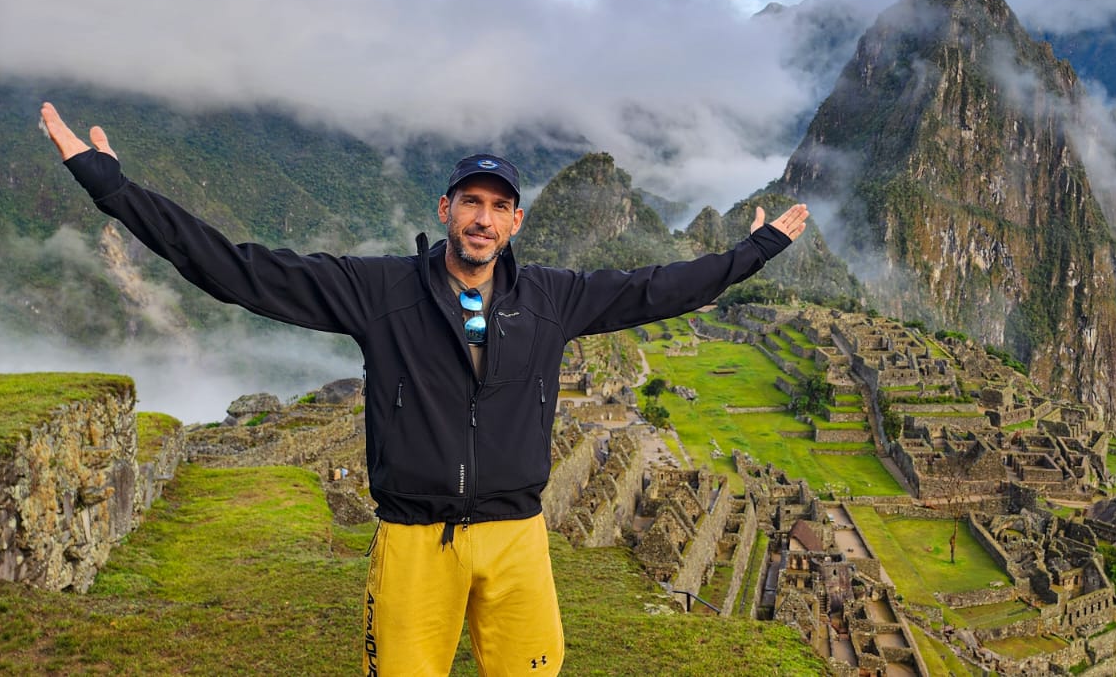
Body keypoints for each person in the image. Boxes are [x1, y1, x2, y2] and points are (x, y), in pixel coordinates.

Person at [39, 102, 808, 676]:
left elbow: (658, 288)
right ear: (445, 210)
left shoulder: (554, 297)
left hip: (517, 539)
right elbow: (238, 270)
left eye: (498, 206)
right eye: (469, 203)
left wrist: (755, 251)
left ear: (515, 221)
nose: (481, 218)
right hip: (415, 540)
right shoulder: (380, 292)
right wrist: (114, 191)